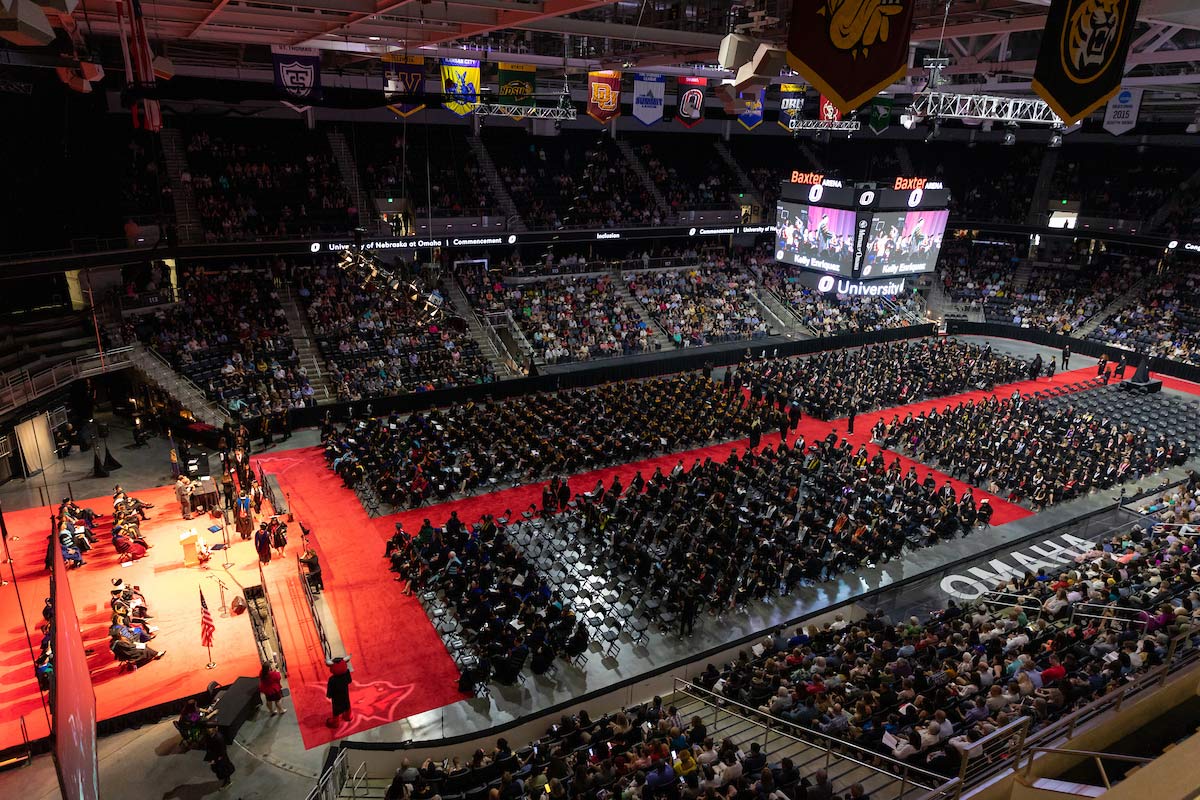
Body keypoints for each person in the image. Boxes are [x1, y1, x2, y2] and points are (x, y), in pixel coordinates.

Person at [325, 656, 353, 727]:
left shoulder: (332, 679)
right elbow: (349, 681)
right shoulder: (346, 673)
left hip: (336, 697)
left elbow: (330, 689)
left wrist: (329, 695)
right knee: (347, 704)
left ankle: (335, 722)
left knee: (336, 709)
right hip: (345, 694)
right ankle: (348, 717)